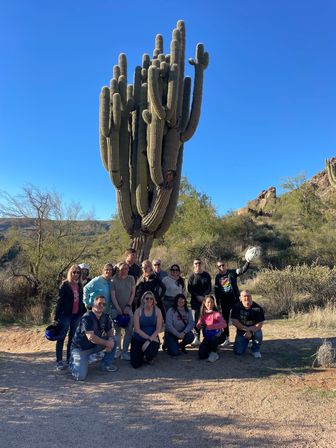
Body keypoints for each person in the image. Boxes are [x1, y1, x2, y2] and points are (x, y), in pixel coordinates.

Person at [69, 295, 118, 381]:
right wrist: (107, 343)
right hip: (81, 349)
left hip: (94, 346)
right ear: (93, 304)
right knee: (80, 377)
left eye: (104, 304)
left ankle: (106, 365)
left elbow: (110, 331)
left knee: (115, 339)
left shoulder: (105, 317)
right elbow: (91, 337)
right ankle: (72, 362)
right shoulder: (87, 317)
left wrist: (110, 339)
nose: (101, 306)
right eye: (99, 303)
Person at [54, 264, 85, 371]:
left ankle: (69, 359)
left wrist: (83, 314)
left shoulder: (80, 285)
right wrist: (56, 317)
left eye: (78, 272)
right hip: (65, 315)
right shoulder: (65, 285)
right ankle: (59, 361)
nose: (76, 274)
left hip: (76, 316)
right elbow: (59, 302)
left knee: (72, 339)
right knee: (61, 337)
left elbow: (80, 301)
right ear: (70, 273)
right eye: (74, 272)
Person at [214, 258, 250, 345]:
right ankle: (227, 338)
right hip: (224, 301)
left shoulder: (232, 272)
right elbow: (216, 291)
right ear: (218, 268)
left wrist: (248, 262)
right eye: (219, 266)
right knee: (225, 320)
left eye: (223, 265)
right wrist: (218, 303)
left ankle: (245, 337)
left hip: (234, 300)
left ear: (225, 265)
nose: (221, 267)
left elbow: (242, 270)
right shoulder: (217, 277)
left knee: (239, 318)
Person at [130, 291, 163, 368]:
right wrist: (149, 339)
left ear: (154, 300)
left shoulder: (157, 311)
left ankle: (148, 357)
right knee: (136, 365)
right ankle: (141, 354)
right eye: (147, 298)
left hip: (152, 337)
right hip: (138, 338)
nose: (149, 300)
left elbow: (158, 329)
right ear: (143, 300)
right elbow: (137, 329)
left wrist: (149, 341)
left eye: (151, 299)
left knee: (150, 353)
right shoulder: (138, 311)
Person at [111, 262, 135, 361]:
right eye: (122, 269)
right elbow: (113, 295)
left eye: (126, 268)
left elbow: (133, 293)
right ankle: (117, 350)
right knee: (117, 331)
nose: (124, 270)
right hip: (115, 308)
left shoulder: (131, 279)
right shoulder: (113, 280)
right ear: (118, 269)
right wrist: (118, 308)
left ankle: (125, 351)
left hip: (128, 308)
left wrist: (128, 306)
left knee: (129, 330)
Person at [231, 290, 265, 359]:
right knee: (238, 352)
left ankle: (255, 350)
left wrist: (250, 331)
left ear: (251, 297)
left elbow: (260, 324)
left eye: (248, 296)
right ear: (240, 298)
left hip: (254, 330)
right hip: (242, 331)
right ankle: (245, 343)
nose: (247, 298)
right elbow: (235, 321)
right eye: (244, 296)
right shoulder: (236, 307)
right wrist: (246, 330)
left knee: (258, 334)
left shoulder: (257, 308)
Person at [187, 259, 212, 346]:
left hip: (205, 302)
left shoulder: (207, 275)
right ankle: (196, 337)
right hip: (195, 301)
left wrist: (204, 296)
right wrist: (197, 296)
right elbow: (190, 289)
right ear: (193, 265)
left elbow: (209, 287)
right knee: (196, 320)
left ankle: (207, 337)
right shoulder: (191, 276)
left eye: (199, 263)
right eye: (195, 263)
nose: (198, 264)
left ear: (202, 264)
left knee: (206, 320)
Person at [196, 295, 227, 362]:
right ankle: (211, 349)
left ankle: (214, 352)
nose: (210, 304)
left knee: (213, 339)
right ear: (204, 303)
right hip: (207, 337)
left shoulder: (216, 314)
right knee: (201, 355)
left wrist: (212, 326)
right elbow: (198, 325)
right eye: (208, 302)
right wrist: (199, 325)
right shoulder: (202, 314)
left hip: (217, 336)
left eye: (212, 302)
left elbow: (224, 324)